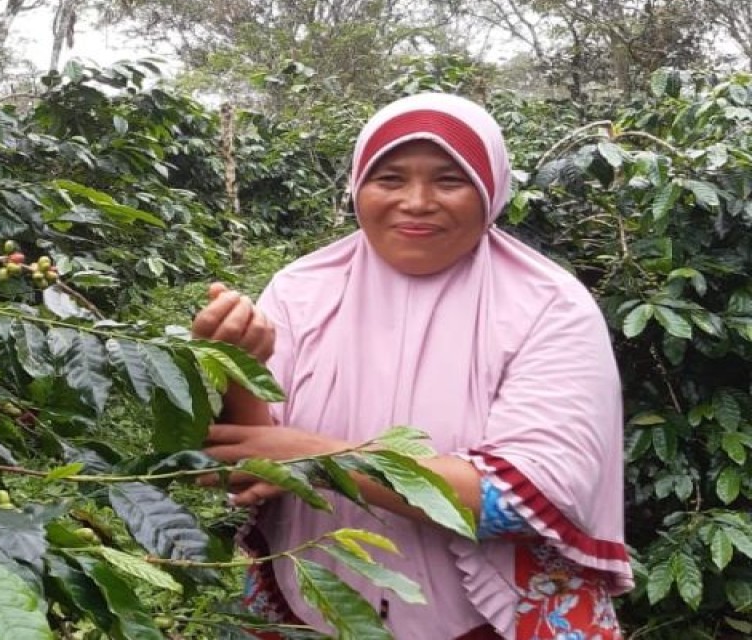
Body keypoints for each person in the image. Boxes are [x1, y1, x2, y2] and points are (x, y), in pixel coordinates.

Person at [192, 93, 631, 640]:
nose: (417, 202)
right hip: (313, 606)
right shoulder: (302, 290)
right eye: (390, 179)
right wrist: (236, 365)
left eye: (449, 180)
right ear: (357, 187)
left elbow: (521, 498)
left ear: (490, 190)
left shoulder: (549, 306)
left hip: (497, 619)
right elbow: (256, 463)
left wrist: (316, 456)